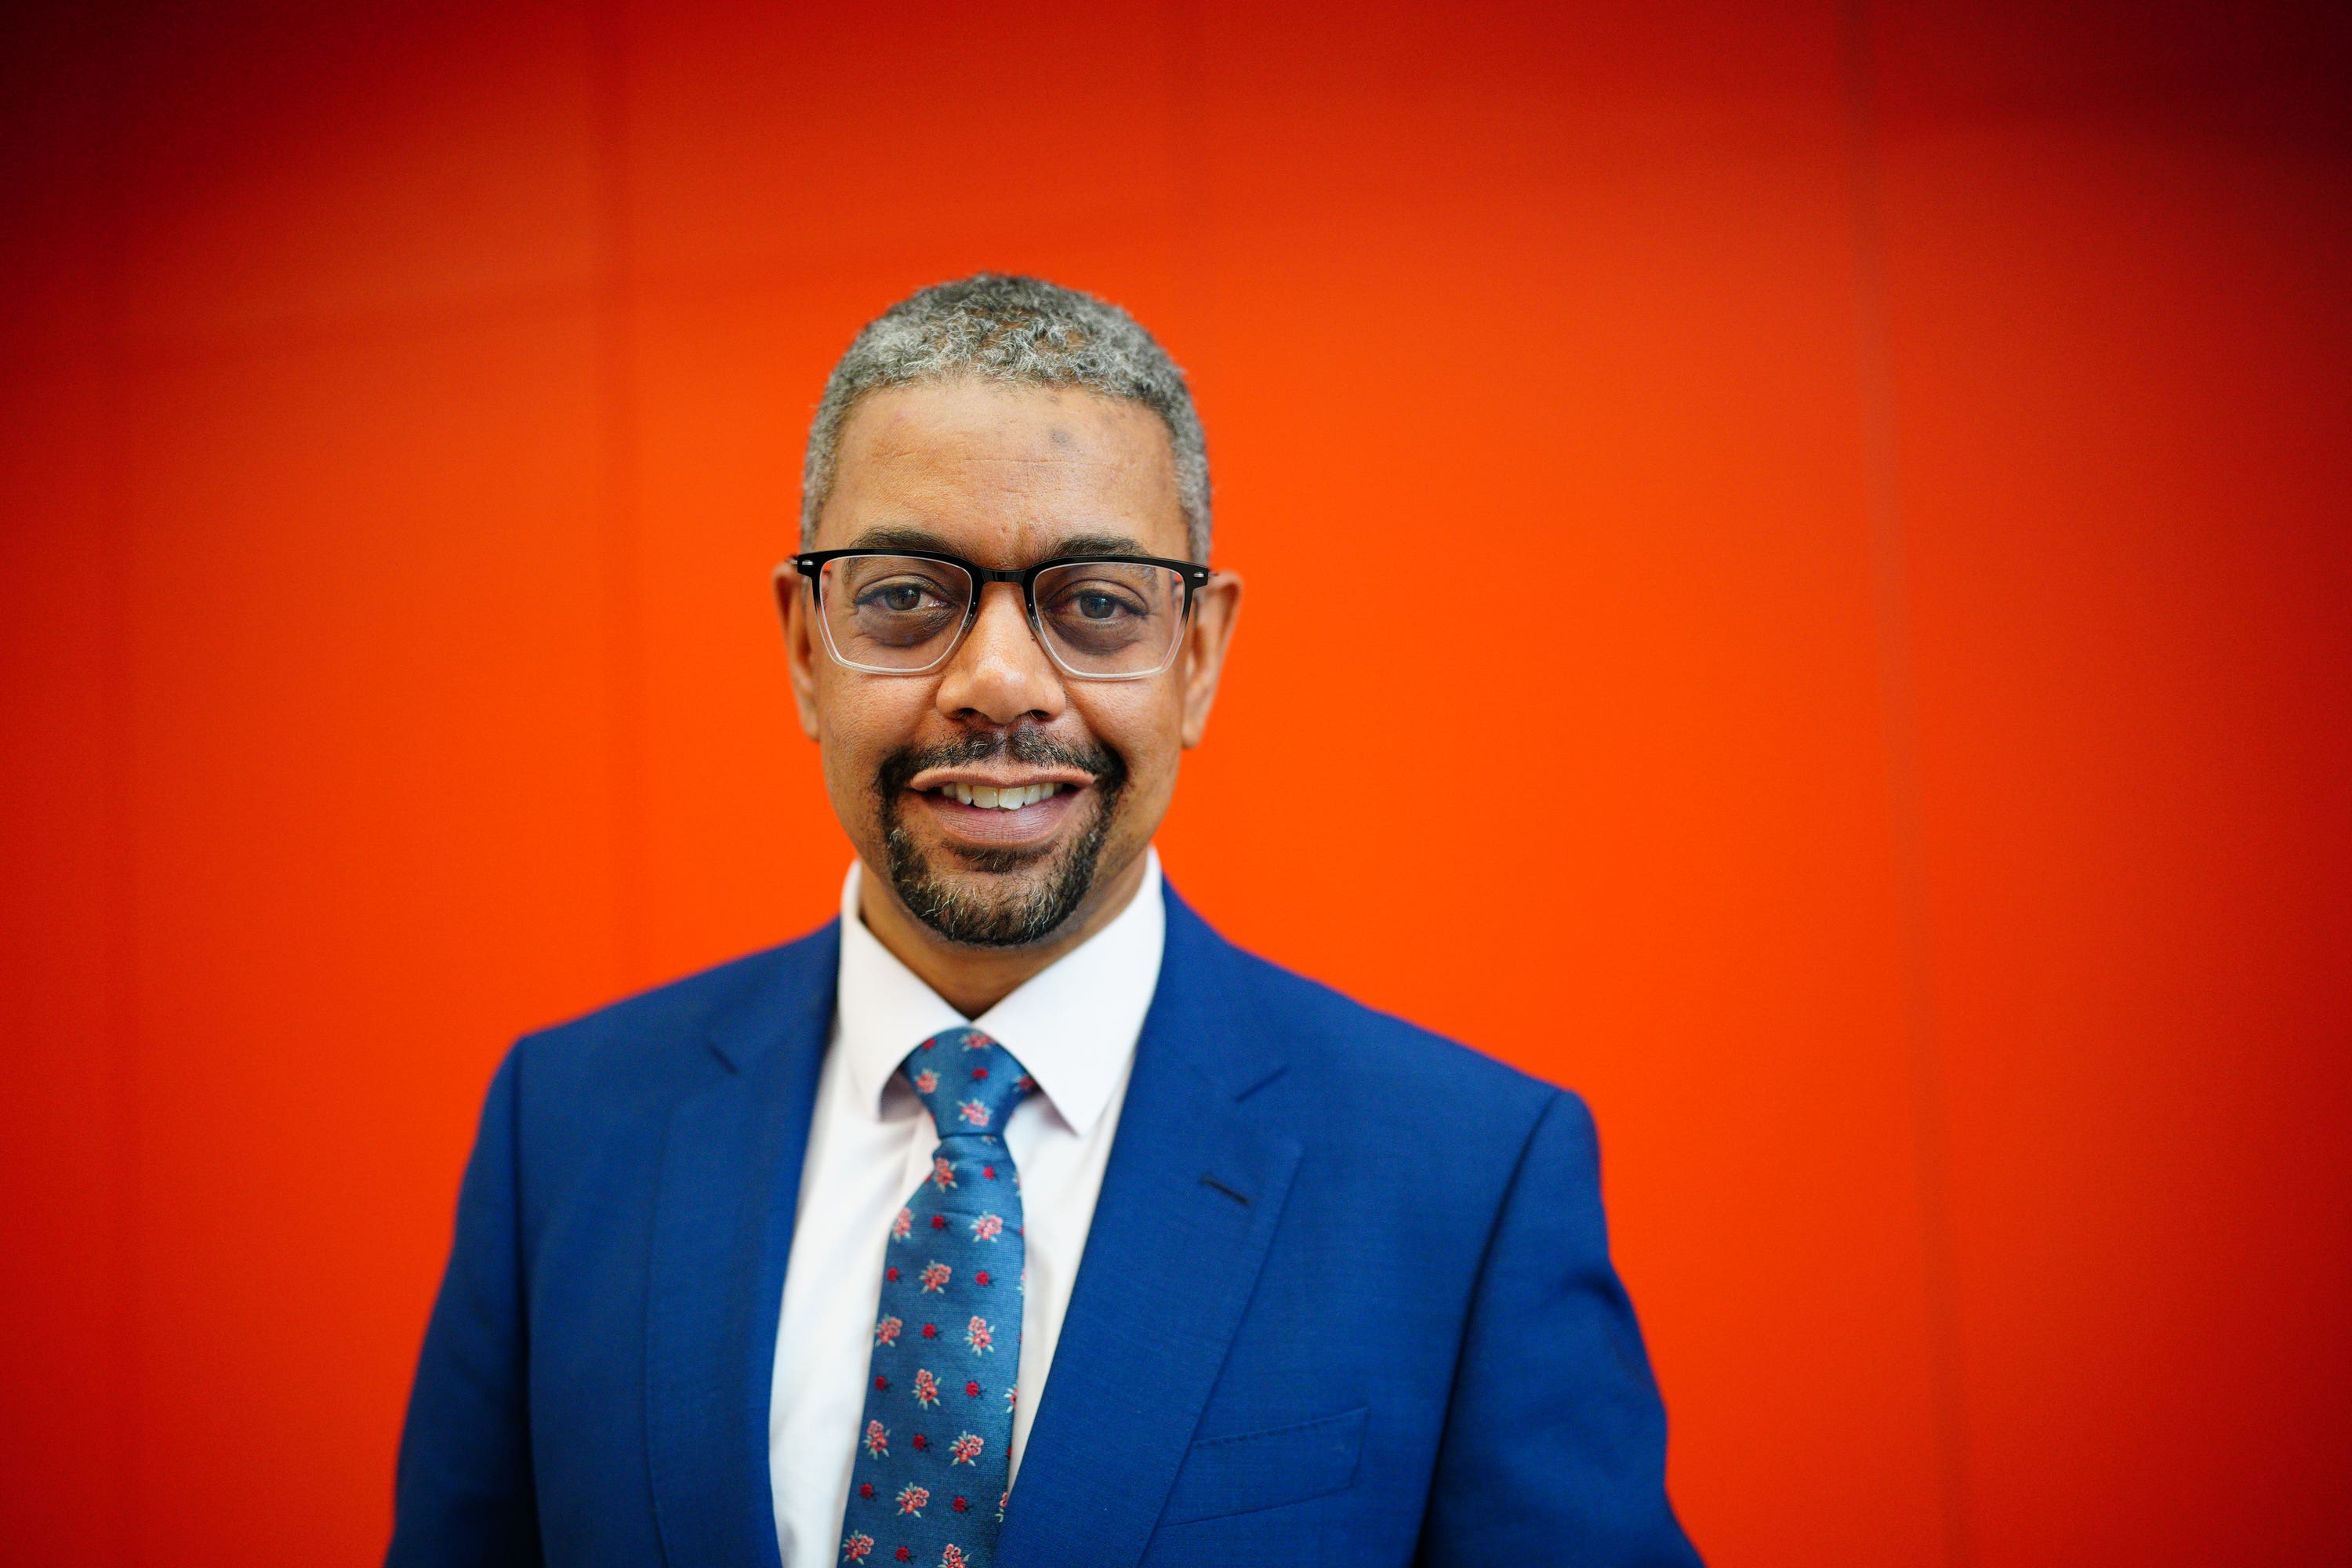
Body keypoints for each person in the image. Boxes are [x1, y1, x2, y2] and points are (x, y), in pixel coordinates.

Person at [389, 274, 1701, 1567]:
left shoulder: (1467, 1182)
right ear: (804, 644)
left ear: (1197, 658)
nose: (1000, 681)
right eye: (906, 595)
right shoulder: (564, 1131)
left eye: (1097, 605)